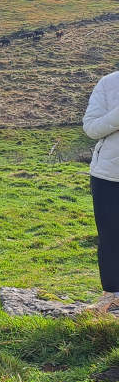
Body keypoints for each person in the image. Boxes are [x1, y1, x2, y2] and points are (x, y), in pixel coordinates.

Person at [84, 67, 119, 312]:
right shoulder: (109, 83)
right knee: (110, 237)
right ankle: (112, 296)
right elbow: (91, 128)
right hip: (109, 175)